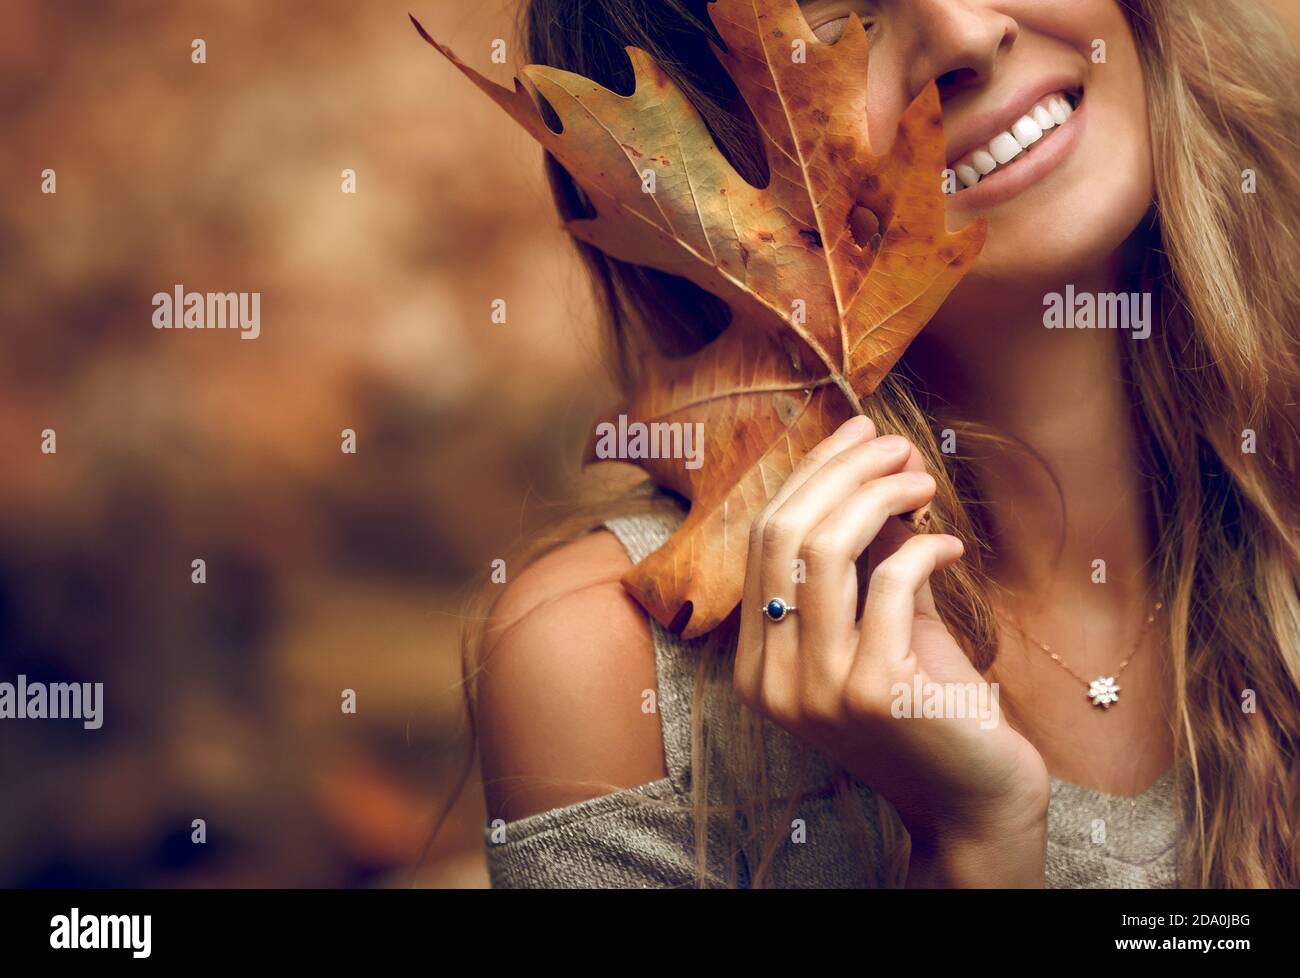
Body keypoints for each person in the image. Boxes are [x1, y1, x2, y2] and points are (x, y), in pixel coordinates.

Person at [461, 0, 1300, 888]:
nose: (970, 34)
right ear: (688, 172)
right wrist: (973, 848)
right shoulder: (611, 670)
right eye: (837, 20)